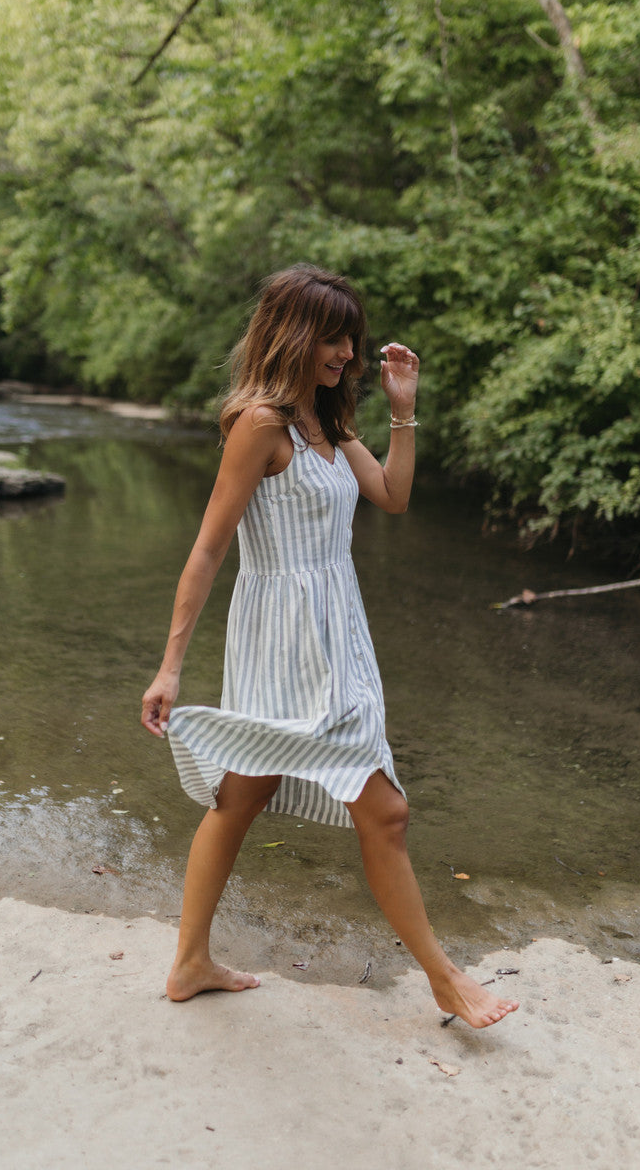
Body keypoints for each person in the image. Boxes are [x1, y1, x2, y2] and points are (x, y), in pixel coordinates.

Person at [141, 264, 519, 1029]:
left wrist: (402, 411)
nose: (348, 351)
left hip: (337, 636)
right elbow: (210, 550)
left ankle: (187, 964)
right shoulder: (258, 425)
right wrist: (170, 664)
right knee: (365, 809)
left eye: (353, 337)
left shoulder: (327, 423)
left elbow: (394, 496)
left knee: (254, 803)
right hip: (278, 641)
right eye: (333, 336)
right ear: (292, 332)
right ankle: (444, 979)